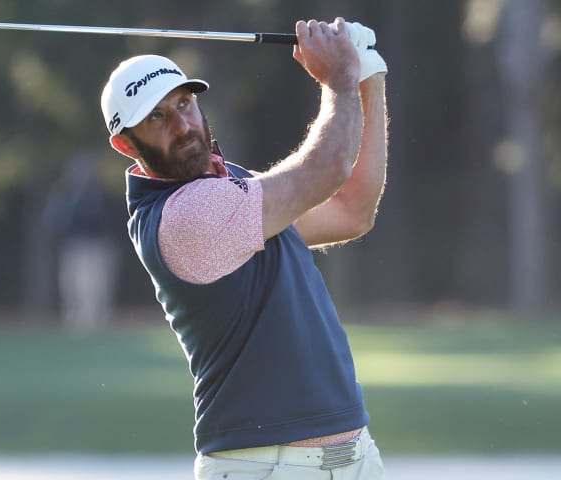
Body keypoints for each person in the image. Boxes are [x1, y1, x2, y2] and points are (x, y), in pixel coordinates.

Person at [100, 17, 388, 479]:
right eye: (157, 117)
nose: (182, 124)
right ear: (124, 143)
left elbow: (353, 210)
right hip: (265, 464)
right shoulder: (184, 215)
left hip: (351, 454)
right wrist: (339, 78)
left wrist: (368, 78)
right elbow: (328, 167)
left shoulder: (231, 186)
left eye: (184, 103)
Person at [43, 151, 119, 330]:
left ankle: (97, 321)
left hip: (97, 245)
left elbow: (110, 220)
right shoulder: (64, 194)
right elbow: (54, 220)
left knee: (97, 285)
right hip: (73, 246)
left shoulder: (101, 192)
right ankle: (76, 321)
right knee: (72, 285)